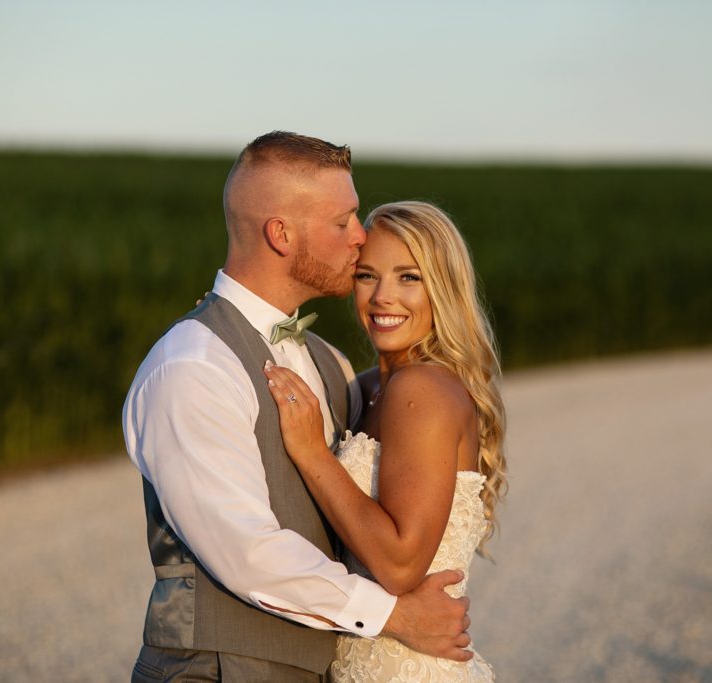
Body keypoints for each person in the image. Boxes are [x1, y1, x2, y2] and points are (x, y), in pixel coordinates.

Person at [122, 133, 472, 682]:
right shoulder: (193, 367)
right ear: (280, 234)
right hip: (216, 669)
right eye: (343, 221)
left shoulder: (328, 362)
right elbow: (245, 552)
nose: (360, 238)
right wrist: (395, 616)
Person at [262, 200, 507, 681]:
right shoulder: (370, 386)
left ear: (443, 287)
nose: (382, 298)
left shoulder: (423, 390)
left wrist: (313, 452)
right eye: (368, 276)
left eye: (408, 277)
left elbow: (399, 566)